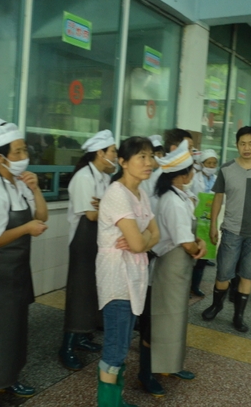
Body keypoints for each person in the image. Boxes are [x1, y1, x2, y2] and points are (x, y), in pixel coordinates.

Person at [0, 115, 48, 407]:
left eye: (25, 149)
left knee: (15, 329)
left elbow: (42, 216)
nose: (24, 156)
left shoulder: (18, 183)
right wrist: (25, 229)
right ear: (0, 157)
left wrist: (36, 189)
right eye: (18, 151)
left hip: (16, 270)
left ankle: (9, 378)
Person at [138, 140, 205, 398]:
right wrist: (197, 247)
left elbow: (188, 235)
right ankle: (146, 374)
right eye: (192, 170)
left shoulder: (180, 196)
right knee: (156, 324)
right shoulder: (172, 201)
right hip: (167, 268)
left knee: (174, 320)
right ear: (184, 175)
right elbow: (184, 241)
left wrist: (198, 242)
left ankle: (169, 365)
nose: (193, 174)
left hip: (178, 269)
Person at [96, 136, 160, 407]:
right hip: (117, 279)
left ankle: (115, 401)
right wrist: (143, 240)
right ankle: (107, 404)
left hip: (134, 275)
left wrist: (142, 240)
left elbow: (156, 235)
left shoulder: (140, 194)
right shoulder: (117, 194)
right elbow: (139, 242)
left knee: (121, 346)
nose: (149, 162)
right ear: (123, 162)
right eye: (141, 157)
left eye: (150, 156)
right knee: (115, 348)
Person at [202, 126, 251, 333]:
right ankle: (217, 305)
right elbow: (218, 198)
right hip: (231, 230)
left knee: (248, 275)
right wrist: (213, 225)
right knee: (223, 273)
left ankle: (238, 315)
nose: (247, 148)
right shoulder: (227, 168)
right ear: (236, 145)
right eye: (242, 144)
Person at [59, 129, 117, 371]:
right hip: (83, 242)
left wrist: (106, 206)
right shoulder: (84, 177)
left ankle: (82, 337)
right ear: (100, 153)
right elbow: (92, 215)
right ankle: (67, 346)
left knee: (92, 292)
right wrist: (110, 207)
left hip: (98, 240)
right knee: (80, 294)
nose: (115, 156)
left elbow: (104, 208)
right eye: (112, 152)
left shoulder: (104, 177)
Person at [190, 149, 219, 297]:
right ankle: (186, 287)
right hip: (195, 219)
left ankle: (195, 286)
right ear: (202, 164)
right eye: (209, 163)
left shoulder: (217, 179)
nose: (212, 166)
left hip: (209, 222)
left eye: (214, 163)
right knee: (191, 255)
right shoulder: (195, 178)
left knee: (203, 257)